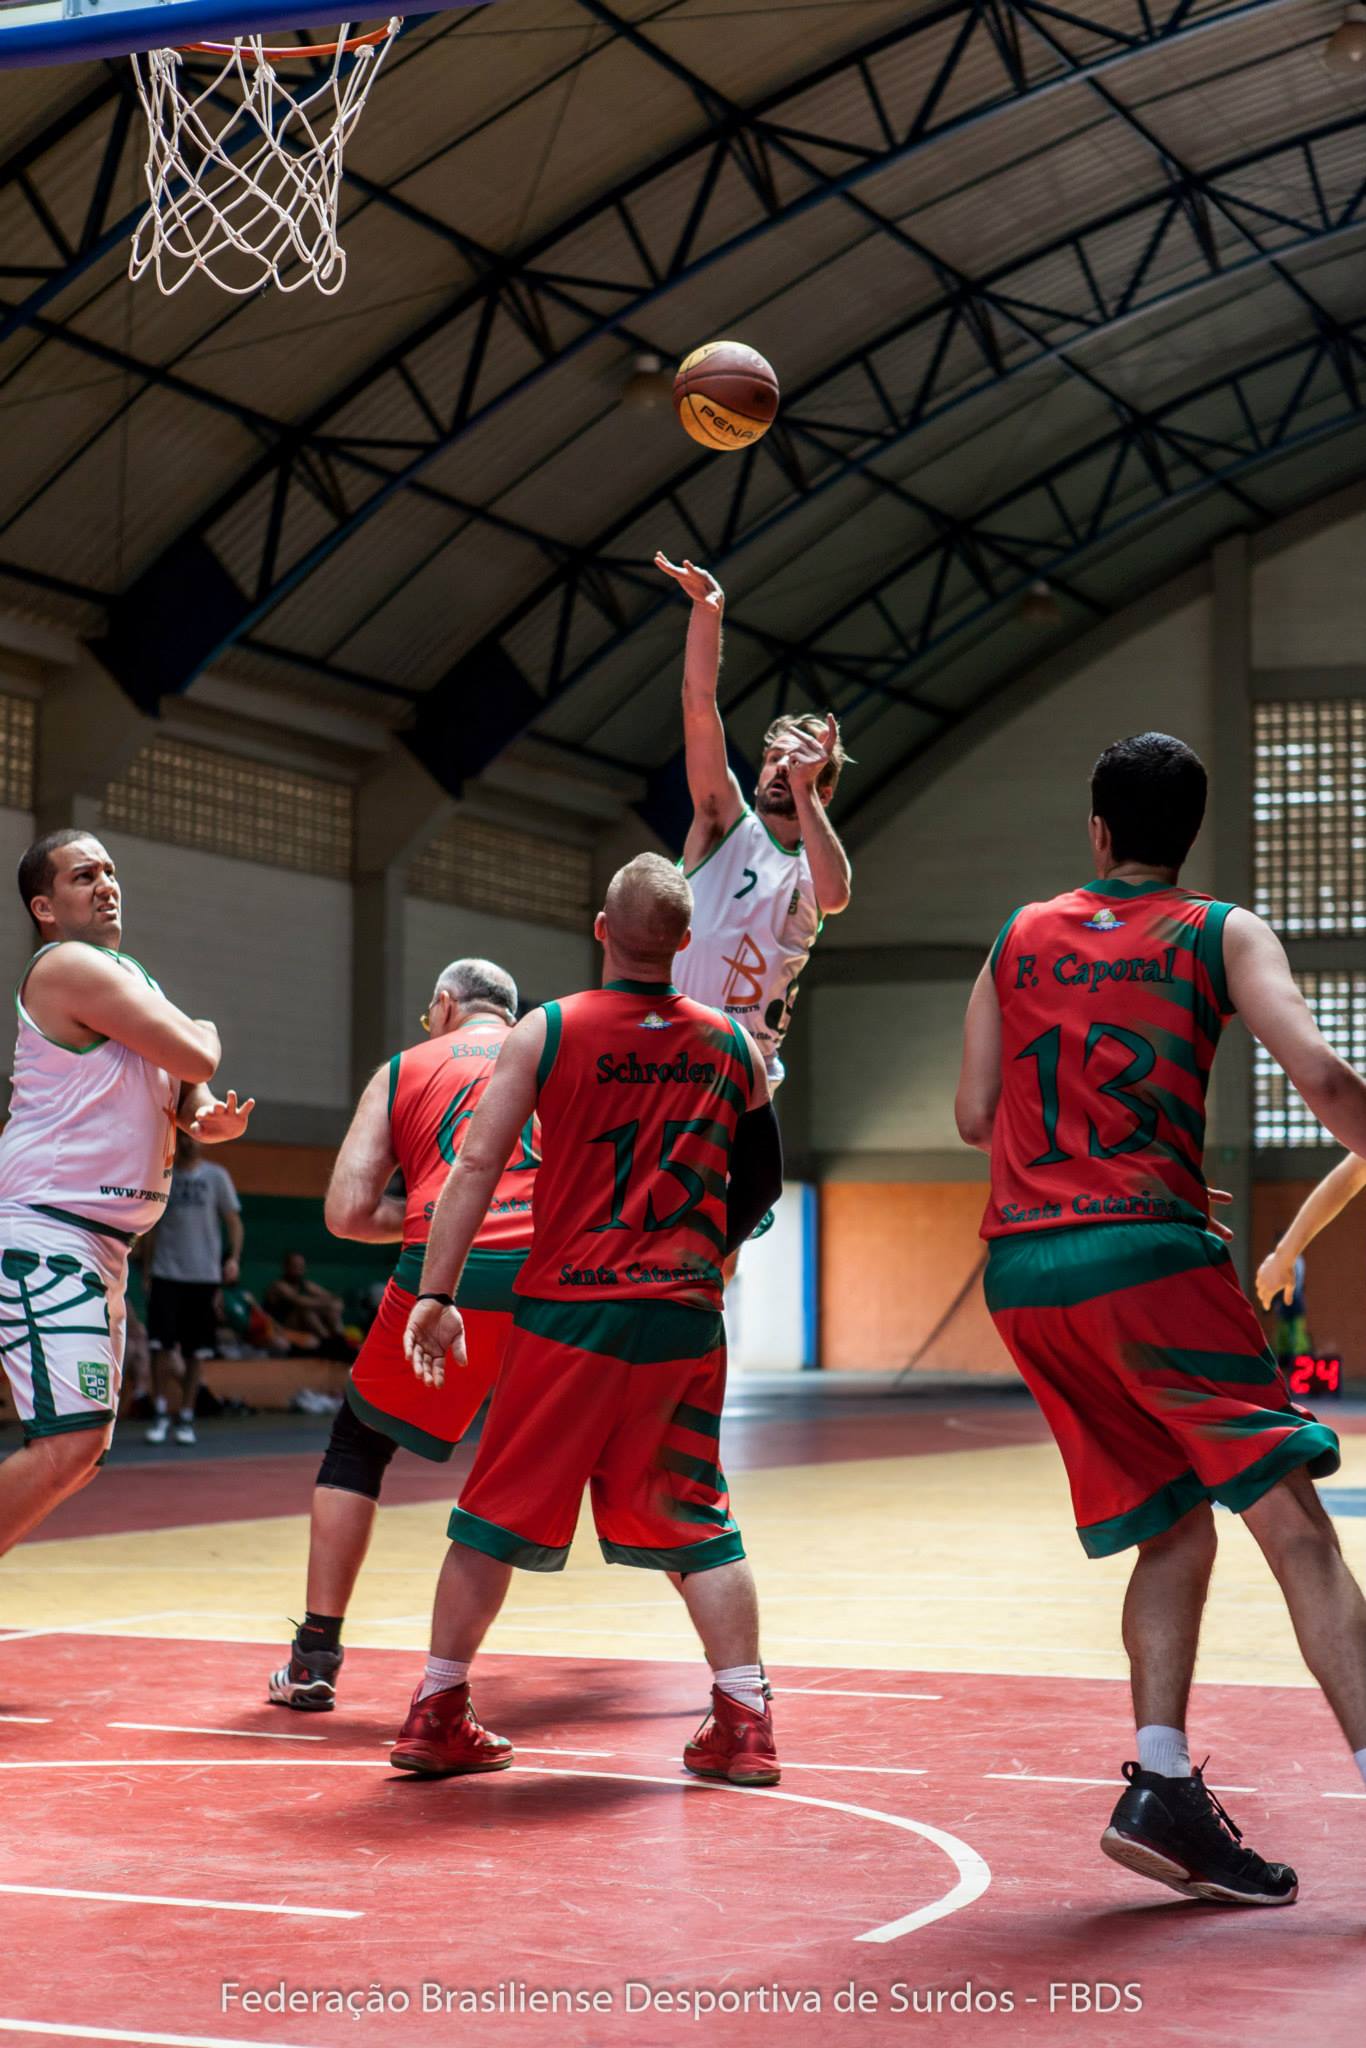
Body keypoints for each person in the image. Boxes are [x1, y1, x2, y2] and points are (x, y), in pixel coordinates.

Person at [956, 732, 1366, 1906]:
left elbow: (975, 1111)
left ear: (1096, 829)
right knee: (1297, 1530)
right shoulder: (1218, 930)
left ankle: (1163, 1786)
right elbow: (1322, 1076)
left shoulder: (1016, 934)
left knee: (1175, 1531)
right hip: (1147, 1256)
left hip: (1025, 1271)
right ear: (1190, 833)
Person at [390, 853, 783, 1783]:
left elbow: (477, 1165)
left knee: (493, 1512)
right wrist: (699, 1247)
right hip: (680, 1313)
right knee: (699, 1515)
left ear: (602, 930)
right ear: (684, 942)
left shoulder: (548, 1029)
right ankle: (744, 1721)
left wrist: (437, 1294)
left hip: (568, 1311)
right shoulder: (734, 1045)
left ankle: (439, 1709)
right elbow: (763, 1178)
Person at [268, 957, 537, 1712]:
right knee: (618, 1455)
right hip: (554, 1278)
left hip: (443, 1279)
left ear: (445, 1004)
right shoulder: (547, 1051)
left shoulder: (404, 1069)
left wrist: (433, 1220)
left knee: (358, 1445)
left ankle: (315, 1656)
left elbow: (347, 1213)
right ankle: (735, 1676)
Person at [0, 829, 253, 1558]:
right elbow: (197, 1050)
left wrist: (205, 1115)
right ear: (45, 907)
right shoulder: (66, 965)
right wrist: (201, 1034)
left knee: (83, 1454)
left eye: (110, 871)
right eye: (84, 876)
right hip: (49, 1228)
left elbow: (183, 1082)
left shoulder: (132, 977)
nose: (107, 884)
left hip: (104, 1241)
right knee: (70, 1443)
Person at [654, 553, 852, 1088]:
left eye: (799, 762)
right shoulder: (724, 819)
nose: (783, 767)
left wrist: (804, 790)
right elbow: (698, 705)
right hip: (673, 1050)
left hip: (751, 1070)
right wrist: (707, 612)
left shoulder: (814, 864)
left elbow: (836, 896)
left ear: (824, 790)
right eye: (774, 758)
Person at [141, 1131, 243, 1446]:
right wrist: (147, 1270)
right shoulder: (162, 1175)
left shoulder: (216, 1176)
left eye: (193, 1138)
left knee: (196, 1350)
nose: (188, 1142)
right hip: (166, 1272)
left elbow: (234, 1222)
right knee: (160, 1346)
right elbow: (151, 1226)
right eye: (182, 1137)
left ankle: (186, 1415)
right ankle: (160, 1413)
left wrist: (233, 1258)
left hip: (203, 1276)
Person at [1256, 1153, 1366, 1336]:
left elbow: (1354, 1173)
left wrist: (1284, 1255)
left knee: (1294, 1335)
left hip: (1294, 1301)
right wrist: (1284, 1254)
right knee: (1289, 1336)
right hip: (1292, 1302)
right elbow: (1354, 1172)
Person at [265, 1251, 351, 1354]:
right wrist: (330, 1303)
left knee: (331, 1311)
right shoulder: (279, 1286)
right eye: (294, 1266)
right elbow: (301, 1301)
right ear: (286, 1267)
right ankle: (328, 1342)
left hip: (304, 1328)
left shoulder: (305, 1284)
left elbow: (332, 1297)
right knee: (306, 1310)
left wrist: (336, 1304)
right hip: (281, 1329)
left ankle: (341, 1340)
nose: (298, 1269)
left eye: (301, 1266)